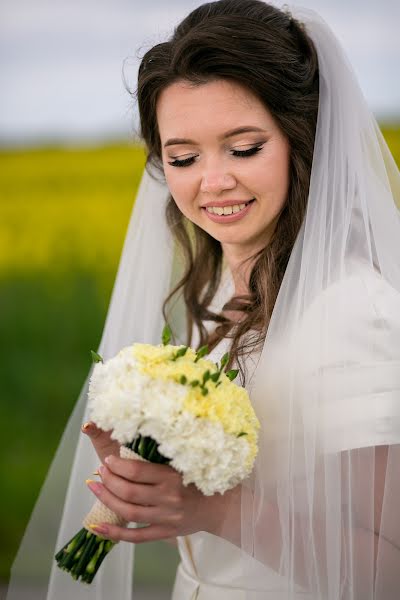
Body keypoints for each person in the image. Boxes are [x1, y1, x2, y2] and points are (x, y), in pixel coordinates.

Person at [6, 1, 400, 599]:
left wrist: (215, 511)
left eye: (243, 149)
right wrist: (156, 476)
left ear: (303, 139)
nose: (212, 182)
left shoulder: (353, 312)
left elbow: (390, 568)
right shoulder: (219, 292)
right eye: (183, 157)